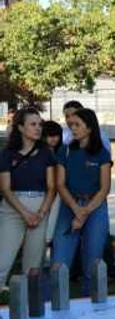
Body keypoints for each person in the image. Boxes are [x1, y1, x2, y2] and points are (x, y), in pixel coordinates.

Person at [51, 108, 112, 295]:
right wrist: (76, 209)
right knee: (59, 261)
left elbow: (104, 189)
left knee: (93, 260)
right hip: (69, 206)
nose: (73, 129)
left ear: (90, 127)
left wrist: (84, 212)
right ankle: (56, 303)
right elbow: (60, 184)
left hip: (95, 207)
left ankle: (92, 306)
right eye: (71, 125)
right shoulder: (65, 150)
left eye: (77, 125)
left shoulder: (101, 153)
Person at [0, 108, 57, 289]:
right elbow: (5, 189)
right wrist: (25, 213)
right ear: (20, 128)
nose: (38, 128)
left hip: (40, 208)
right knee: (3, 260)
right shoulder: (7, 154)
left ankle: (28, 301)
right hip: (13, 209)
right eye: (33, 124)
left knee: (33, 266)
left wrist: (40, 213)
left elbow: (52, 187)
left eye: (40, 124)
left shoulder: (46, 153)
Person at [41, 120, 64, 246]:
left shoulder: (61, 152)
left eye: (57, 135)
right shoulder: (41, 152)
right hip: (45, 191)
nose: (54, 139)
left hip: (58, 192)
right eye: (50, 135)